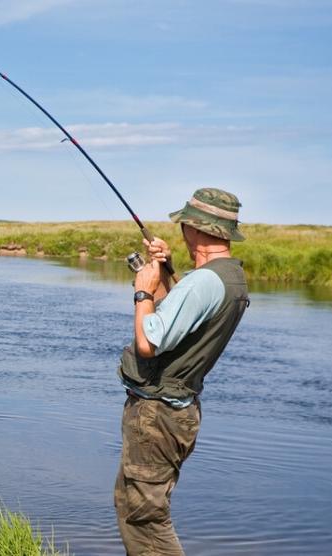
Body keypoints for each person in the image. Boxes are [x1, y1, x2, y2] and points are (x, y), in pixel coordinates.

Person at [113, 188, 251, 555]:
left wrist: (143, 291)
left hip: (157, 416)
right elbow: (186, 315)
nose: (182, 231)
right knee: (137, 508)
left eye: (185, 224)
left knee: (145, 519)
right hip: (176, 412)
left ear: (196, 228)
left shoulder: (204, 282)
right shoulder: (228, 277)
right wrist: (170, 270)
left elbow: (148, 343)